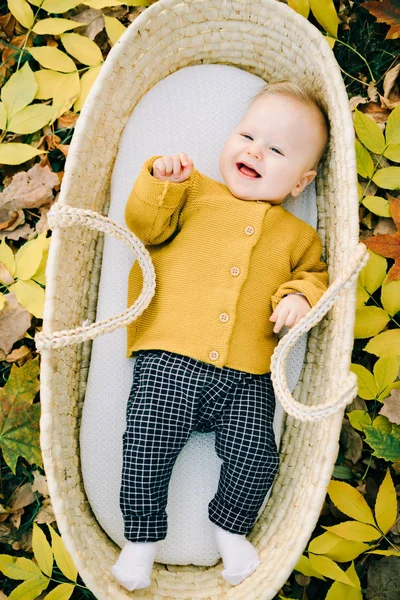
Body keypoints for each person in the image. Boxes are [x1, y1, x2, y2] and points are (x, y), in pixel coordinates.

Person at [111, 80, 330, 591]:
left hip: (247, 377)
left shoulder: (300, 236)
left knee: (257, 456)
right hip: (170, 356)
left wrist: (298, 298)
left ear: (302, 182)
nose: (254, 150)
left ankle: (230, 528)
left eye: (275, 150)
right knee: (144, 445)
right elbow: (144, 226)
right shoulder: (194, 190)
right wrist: (161, 182)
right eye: (247, 135)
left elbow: (314, 277)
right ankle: (140, 541)